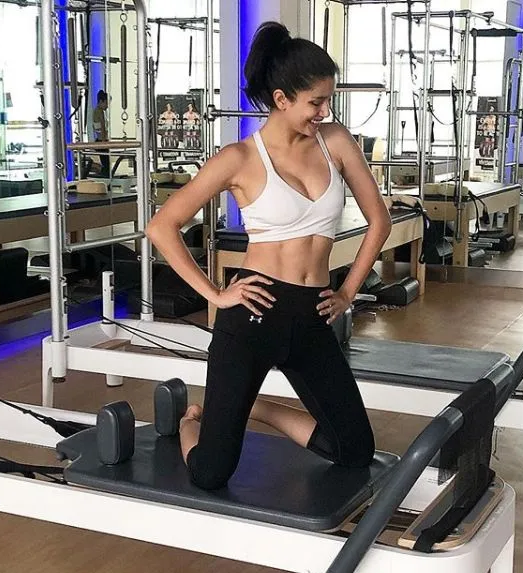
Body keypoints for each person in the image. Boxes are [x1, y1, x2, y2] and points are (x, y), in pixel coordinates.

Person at [146, 21, 392, 490]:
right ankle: (190, 421)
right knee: (211, 472)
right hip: (253, 311)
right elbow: (161, 226)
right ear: (282, 99)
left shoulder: (336, 141)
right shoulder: (239, 158)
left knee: (354, 451)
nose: (324, 111)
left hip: (313, 312)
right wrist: (216, 294)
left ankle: (254, 407)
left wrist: (346, 292)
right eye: (315, 102)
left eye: (328, 100)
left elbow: (378, 221)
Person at [92, 90, 110, 177]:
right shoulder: (99, 112)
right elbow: (102, 126)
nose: (107, 106)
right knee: (105, 163)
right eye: (106, 103)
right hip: (101, 140)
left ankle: (105, 175)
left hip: (100, 139)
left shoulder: (96, 111)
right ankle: (105, 176)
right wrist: (103, 141)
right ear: (101, 101)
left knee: (105, 162)